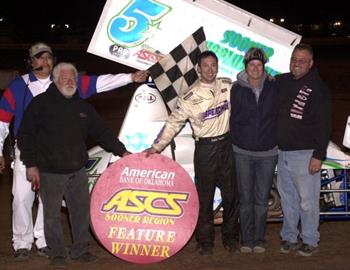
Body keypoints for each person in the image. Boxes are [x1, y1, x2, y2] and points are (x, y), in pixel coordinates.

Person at [0, 42, 148, 261]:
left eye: (49, 57)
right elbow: (2, 121)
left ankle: (43, 241)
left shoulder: (67, 82)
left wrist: (130, 78)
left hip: (59, 157)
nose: (45, 61)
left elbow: (101, 83)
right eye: (39, 58)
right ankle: (22, 242)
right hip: (29, 151)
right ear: (31, 62)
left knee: (47, 204)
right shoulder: (19, 86)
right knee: (21, 197)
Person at [17, 62, 131, 268]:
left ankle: (81, 250)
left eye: (73, 79)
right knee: (51, 216)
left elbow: (102, 132)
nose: (70, 82)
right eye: (65, 78)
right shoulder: (40, 104)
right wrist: (31, 164)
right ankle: (57, 254)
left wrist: (122, 151)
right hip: (50, 171)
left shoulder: (83, 107)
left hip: (78, 171)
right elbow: (25, 135)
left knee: (81, 213)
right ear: (55, 80)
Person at [145, 51, 239, 256]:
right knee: (204, 198)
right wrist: (157, 146)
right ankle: (205, 242)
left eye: (214, 65)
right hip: (205, 150)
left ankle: (231, 238)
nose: (210, 69)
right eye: (205, 65)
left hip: (226, 146)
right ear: (198, 68)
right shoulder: (189, 96)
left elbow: (249, 84)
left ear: (218, 67)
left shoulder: (228, 85)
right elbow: (173, 122)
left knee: (232, 195)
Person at [276, 43, 332, 256]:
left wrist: (318, 155)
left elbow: (325, 125)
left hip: (306, 155)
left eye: (301, 60)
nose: (296, 63)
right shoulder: (283, 81)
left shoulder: (319, 89)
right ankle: (289, 236)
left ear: (310, 63)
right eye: (294, 59)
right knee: (288, 199)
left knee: (308, 201)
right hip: (284, 153)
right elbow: (258, 76)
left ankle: (310, 239)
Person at [230, 47, 278, 254]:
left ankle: (259, 239)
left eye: (259, 65)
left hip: (268, 152)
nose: (255, 68)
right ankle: (246, 239)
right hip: (242, 152)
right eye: (252, 65)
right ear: (246, 67)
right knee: (245, 199)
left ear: (264, 68)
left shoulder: (275, 86)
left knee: (261, 199)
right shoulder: (235, 88)